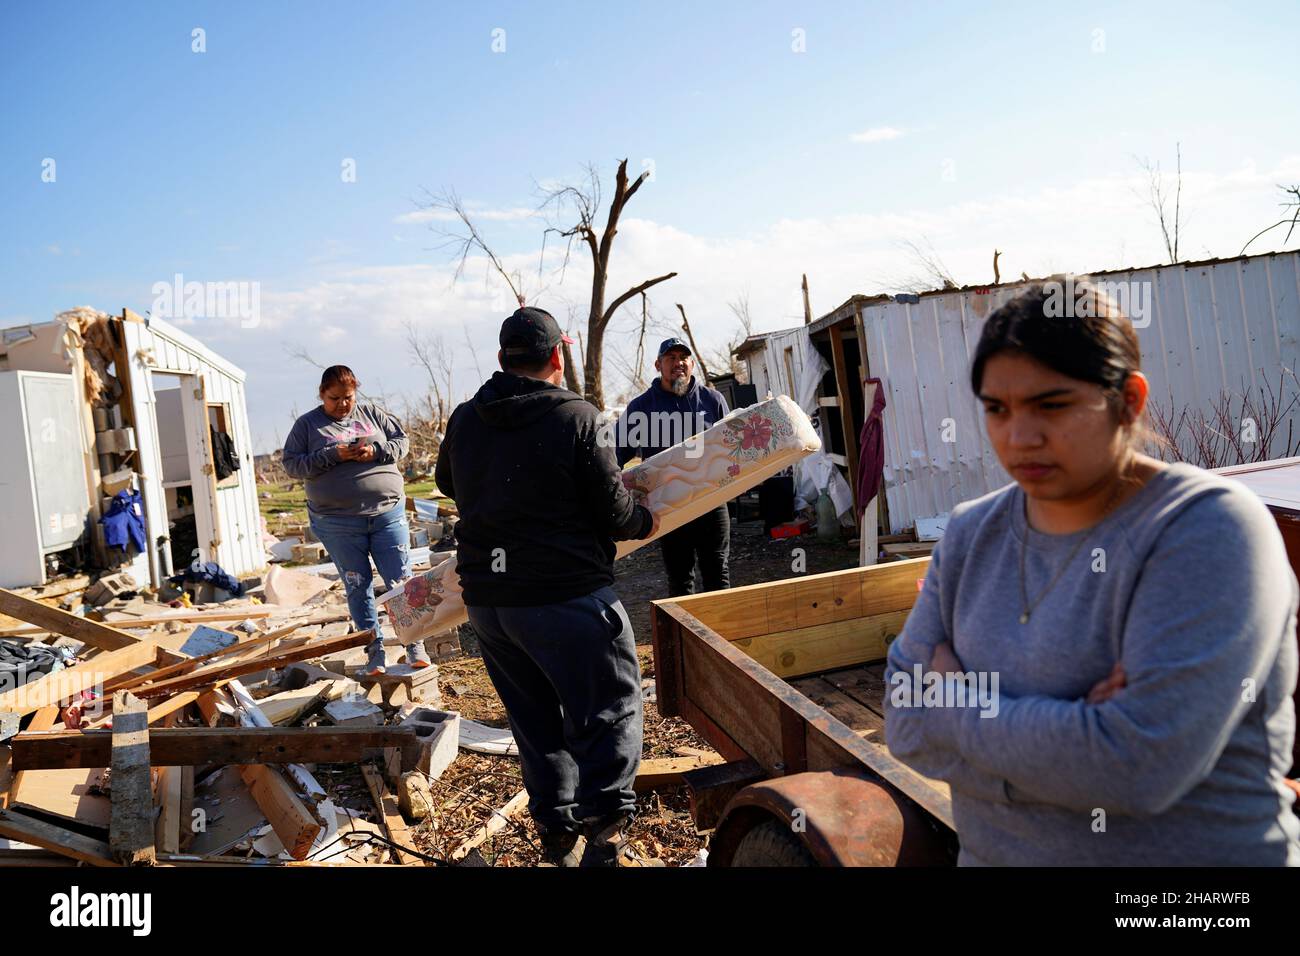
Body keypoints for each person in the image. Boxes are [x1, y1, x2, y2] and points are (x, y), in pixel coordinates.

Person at [883, 277, 1300, 866]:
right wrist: (1078, 731)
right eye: (997, 410)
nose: (1020, 437)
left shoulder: (1207, 531)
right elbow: (903, 721)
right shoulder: (970, 535)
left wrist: (957, 708)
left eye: (1051, 405)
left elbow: (1137, 770)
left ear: (1129, 400)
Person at [435, 306, 660, 867]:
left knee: (533, 719)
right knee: (606, 708)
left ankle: (557, 835)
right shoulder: (575, 417)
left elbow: (445, 481)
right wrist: (645, 521)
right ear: (558, 356)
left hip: (493, 605)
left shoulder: (466, 418)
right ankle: (606, 833)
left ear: (501, 360)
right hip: (566, 596)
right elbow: (614, 513)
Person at [282, 365, 422, 677]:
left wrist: (376, 450)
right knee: (358, 584)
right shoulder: (307, 425)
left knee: (400, 580)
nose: (343, 404)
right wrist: (333, 455)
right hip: (338, 521)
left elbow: (402, 442)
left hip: (386, 512)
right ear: (321, 394)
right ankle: (374, 649)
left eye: (348, 397)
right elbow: (292, 465)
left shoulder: (372, 413)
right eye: (335, 399)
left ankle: (415, 643)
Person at [616, 338, 731, 597]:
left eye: (683, 357)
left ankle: (721, 635)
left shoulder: (712, 400)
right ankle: (683, 637)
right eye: (670, 358)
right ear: (658, 365)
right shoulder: (642, 407)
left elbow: (731, 448)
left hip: (712, 503)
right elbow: (616, 455)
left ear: (691, 364)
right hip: (668, 507)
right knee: (680, 581)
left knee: (718, 575)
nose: (678, 363)